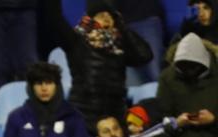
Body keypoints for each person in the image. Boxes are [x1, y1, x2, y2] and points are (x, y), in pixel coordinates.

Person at [46, 0, 153, 129]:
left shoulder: (120, 42)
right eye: (101, 16)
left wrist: (123, 28)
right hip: (83, 116)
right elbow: (55, 17)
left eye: (110, 16)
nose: (107, 19)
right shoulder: (76, 40)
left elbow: (145, 56)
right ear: (91, 18)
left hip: (115, 118)